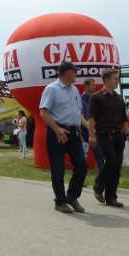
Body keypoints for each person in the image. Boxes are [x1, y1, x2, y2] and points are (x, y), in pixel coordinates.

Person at [39, 61, 89, 214]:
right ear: (68, 72)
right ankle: (60, 202)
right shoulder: (52, 89)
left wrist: (79, 131)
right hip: (57, 134)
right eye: (75, 71)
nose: (76, 74)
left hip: (73, 133)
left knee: (82, 166)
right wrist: (57, 129)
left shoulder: (74, 90)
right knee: (58, 170)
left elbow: (77, 113)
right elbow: (43, 112)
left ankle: (72, 197)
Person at [88, 68, 129, 208]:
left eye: (117, 78)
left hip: (118, 134)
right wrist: (92, 135)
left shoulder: (119, 97)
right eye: (115, 79)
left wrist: (127, 134)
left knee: (117, 166)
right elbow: (91, 118)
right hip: (103, 133)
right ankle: (98, 185)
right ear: (106, 80)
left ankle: (111, 197)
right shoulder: (96, 97)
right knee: (111, 162)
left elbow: (124, 118)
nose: (117, 81)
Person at [80, 78, 104, 170]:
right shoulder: (81, 100)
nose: (95, 87)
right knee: (83, 154)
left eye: (95, 85)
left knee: (99, 153)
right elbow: (81, 117)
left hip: (95, 129)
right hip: (85, 130)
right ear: (86, 86)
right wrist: (91, 129)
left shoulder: (95, 99)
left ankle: (102, 173)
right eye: (92, 85)